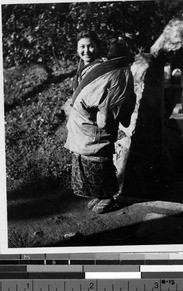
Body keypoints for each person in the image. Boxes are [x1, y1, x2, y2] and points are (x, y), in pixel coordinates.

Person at [65, 32, 136, 214]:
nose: (86, 50)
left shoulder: (106, 66)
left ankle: (108, 196)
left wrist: (101, 110)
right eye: (82, 47)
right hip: (83, 122)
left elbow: (110, 95)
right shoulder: (84, 67)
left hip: (97, 121)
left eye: (90, 46)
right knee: (84, 157)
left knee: (99, 157)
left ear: (97, 47)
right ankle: (99, 192)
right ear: (77, 49)